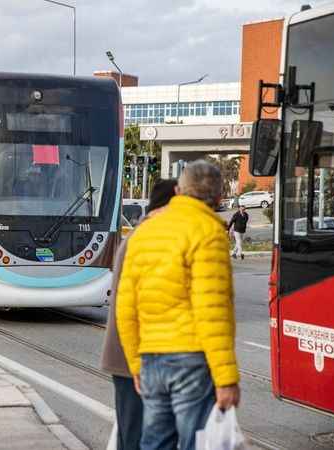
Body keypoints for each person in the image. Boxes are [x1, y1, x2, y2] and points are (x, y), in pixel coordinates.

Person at [117, 160, 240, 450]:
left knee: (155, 443)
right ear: (219, 197)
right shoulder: (208, 231)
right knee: (193, 442)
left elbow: (125, 307)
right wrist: (226, 379)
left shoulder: (144, 232)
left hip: (151, 360)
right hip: (191, 360)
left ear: (178, 190)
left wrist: (136, 364)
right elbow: (212, 311)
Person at [101, 179, 178, 450]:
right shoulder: (146, 239)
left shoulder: (148, 235)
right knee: (136, 436)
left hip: (135, 359)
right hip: (132, 360)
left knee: (135, 434)